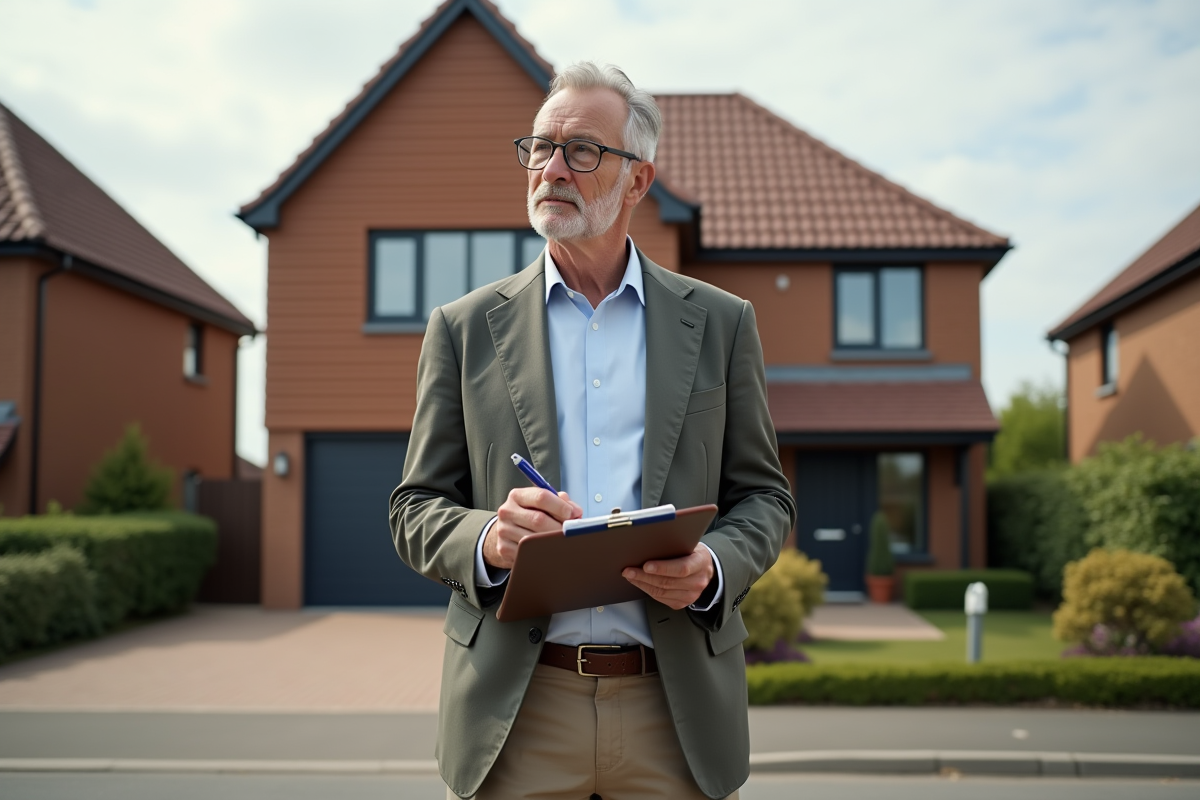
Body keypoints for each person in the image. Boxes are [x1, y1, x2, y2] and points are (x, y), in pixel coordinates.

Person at [390, 62, 796, 800]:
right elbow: (415, 507)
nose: (552, 169)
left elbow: (766, 498)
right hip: (519, 714)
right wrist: (488, 540)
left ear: (637, 180)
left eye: (582, 151)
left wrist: (712, 568)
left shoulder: (722, 322)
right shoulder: (461, 329)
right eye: (540, 147)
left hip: (673, 716)